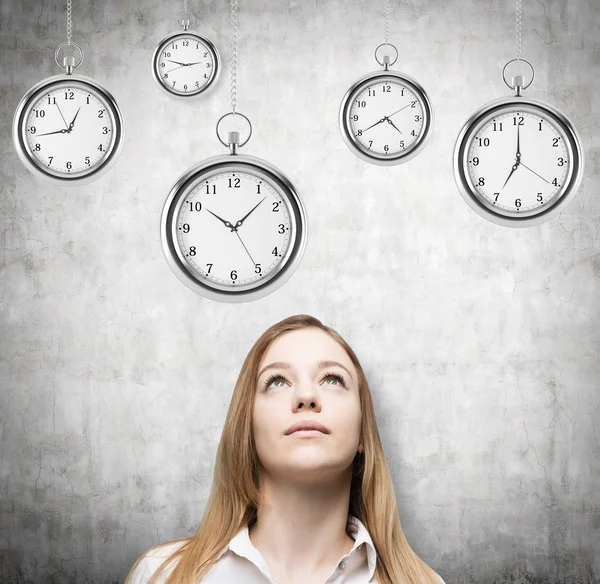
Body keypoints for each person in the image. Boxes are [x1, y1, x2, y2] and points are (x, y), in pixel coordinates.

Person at [125, 314, 446, 584]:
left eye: (332, 379)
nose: (306, 396)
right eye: (277, 381)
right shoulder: (161, 574)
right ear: (247, 428)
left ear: (364, 430)